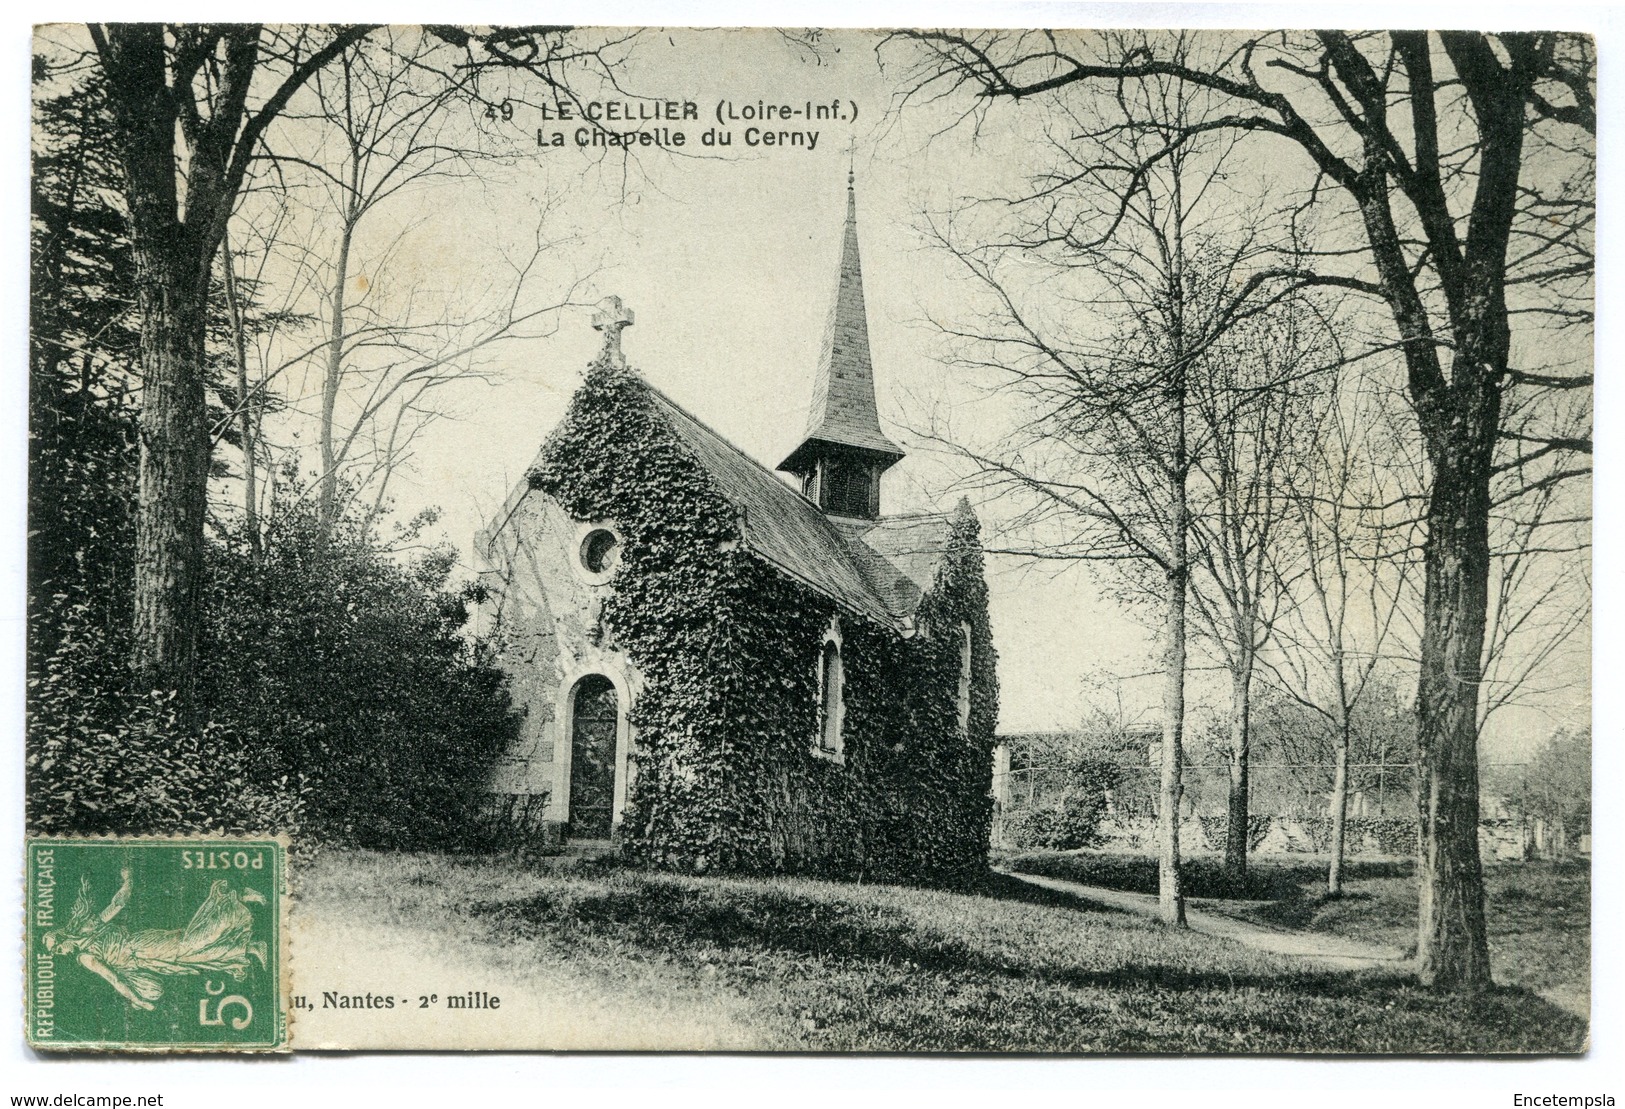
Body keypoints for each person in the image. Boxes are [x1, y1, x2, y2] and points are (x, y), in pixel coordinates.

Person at [42, 867, 267, 1010]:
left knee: (189, 946)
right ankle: (251, 948)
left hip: (142, 946)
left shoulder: (86, 950)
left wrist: (128, 882)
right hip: (145, 959)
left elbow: (114, 978)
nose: (59, 953)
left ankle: (237, 898)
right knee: (192, 956)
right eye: (55, 953)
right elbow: (118, 976)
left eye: (57, 948)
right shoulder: (87, 942)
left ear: (63, 938)